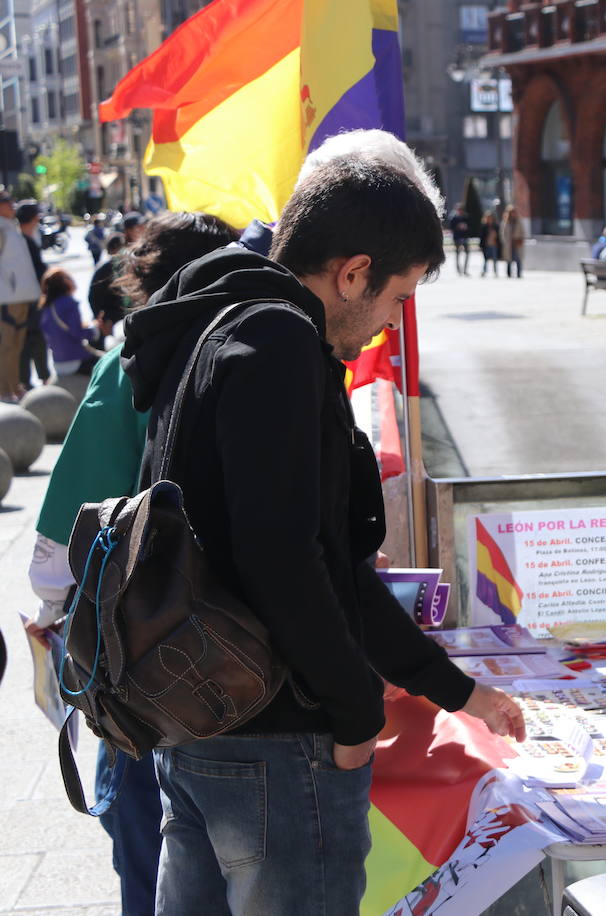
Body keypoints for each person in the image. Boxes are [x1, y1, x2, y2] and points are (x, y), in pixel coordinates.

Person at [120, 157, 525, 914]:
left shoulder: (218, 320)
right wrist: (354, 711)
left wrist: (455, 689)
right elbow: (286, 557)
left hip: (197, 712)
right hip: (276, 733)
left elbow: (314, 557)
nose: (388, 321)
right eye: (396, 296)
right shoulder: (277, 343)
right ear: (353, 273)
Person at [25, 211, 239, 916]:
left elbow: (63, 531)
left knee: (146, 850)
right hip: (240, 658)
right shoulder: (257, 354)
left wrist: (52, 613)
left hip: (139, 655)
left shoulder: (128, 367)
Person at [0, 190, 39, 400]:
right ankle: (5, 389)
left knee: (16, 346)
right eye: (6, 201)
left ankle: (14, 386)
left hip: (19, 296)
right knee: (8, 346)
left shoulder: (9, 227)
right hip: (7, 297)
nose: (11, 204)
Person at [37, 267, 102, 377]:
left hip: (58, 362)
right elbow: (77, 333)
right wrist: (94, 330)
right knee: (112, 362)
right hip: (75, 359)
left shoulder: (46, 307)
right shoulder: (69, 303)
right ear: (65, 282)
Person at [17, 201, 52, 389]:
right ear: (34, 218)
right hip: (27, 296)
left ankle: (30, 379)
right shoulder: (22, 241)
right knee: (33, 337)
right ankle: (33, 379)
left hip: (26, 295)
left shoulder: (25, 238)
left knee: (30, 338)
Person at [90, 233, 129, 339]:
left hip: (125, 317)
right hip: (111, 321)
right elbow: (94, 298)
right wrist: (102, 320)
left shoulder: (129, 264)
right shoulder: (104, 270)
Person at [500, 204, 525, 278]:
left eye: (513, 212)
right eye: (511, 212)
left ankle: (519, 273)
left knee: (518, 259)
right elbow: (502, 233)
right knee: (508, 259)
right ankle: (508, 273)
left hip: (516, 243)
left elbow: (522, 231)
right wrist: (504, 241)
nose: (512, 214)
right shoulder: (505, 222)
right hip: (508, 244)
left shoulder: (519, 221)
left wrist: (521, 239)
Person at [448, 205, 472, 275]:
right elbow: (451, 228)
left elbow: (471, 227)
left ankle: (465, 270)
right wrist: (458, 227)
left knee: (467, 253)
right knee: (457, 254)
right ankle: (458, 270)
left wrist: (466, 227)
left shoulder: (466, 218)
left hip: (465, 238)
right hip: (457, 238)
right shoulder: (454, 218)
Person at [480, 209, 501, 277]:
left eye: (490, 217)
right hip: (486, 245)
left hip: (494, 245)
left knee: (495, 259)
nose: (489, 219)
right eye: (488, 217)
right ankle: (484, 271)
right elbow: (482, 236)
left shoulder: (495, 226)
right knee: (485, 259)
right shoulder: (484, 226)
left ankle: (495, 272)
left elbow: (498, 236)